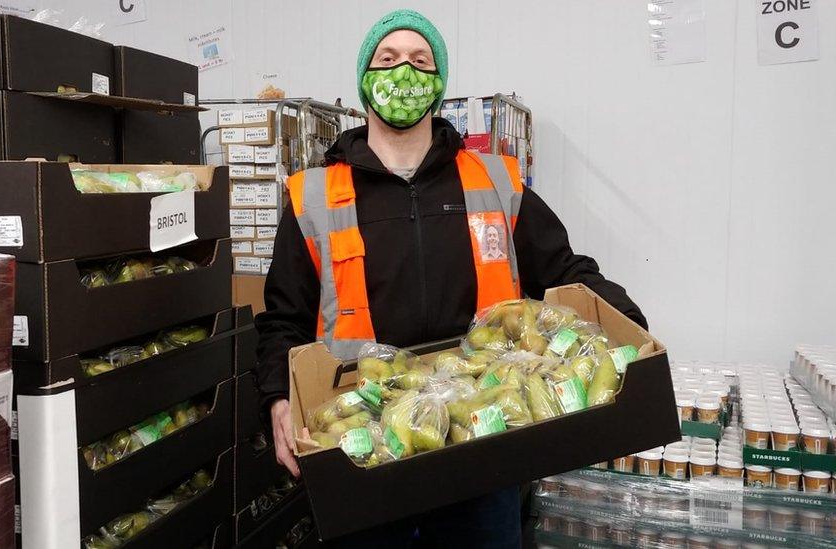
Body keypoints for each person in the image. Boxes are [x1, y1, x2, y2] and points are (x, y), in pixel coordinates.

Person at [254, 9, 647, 548]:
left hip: (481, 445)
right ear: (365, 81)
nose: (404, 72)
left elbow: (566, 271)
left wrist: (630, 325)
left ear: (439, 85)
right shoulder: (313, 195)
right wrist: (279, 395)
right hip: (365, 449)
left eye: (421, 61)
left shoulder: (493, 181)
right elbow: (283, 318)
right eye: (387, 60)